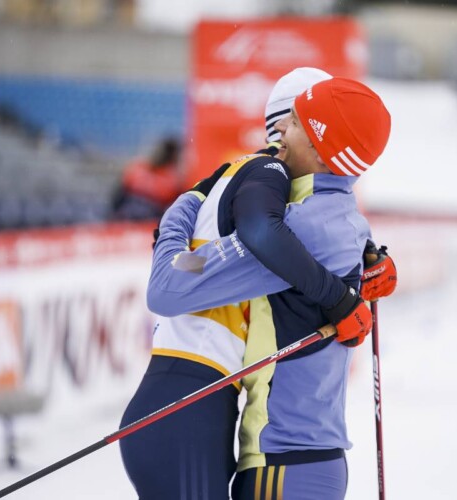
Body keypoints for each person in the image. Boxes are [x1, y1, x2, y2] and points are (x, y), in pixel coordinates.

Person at [119, 69, 382, 500]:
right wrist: (360, 266)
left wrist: (182, 207)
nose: (278, 132)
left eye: (294, 122)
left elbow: (170, 282)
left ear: (319, 141)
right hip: (233, 431)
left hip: (271, 454)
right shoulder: (339, 220)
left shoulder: (293, 226)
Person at [111, 137, 183, 220]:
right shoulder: (137, 169)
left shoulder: (173, 183)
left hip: (145, 220)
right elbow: (118, 198)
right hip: (129, 217)